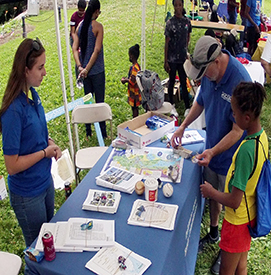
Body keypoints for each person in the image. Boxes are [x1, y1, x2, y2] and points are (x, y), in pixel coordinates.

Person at [171, 35, 251, 275]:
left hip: (230, 158)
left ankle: (226, 250)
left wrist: (214, 151)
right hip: (212, 151)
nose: (203, 76)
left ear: (217, 61)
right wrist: (183, 126)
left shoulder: (240, 80)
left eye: (205, 71)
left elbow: (238, 130)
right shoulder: (208, 73)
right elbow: (200, 102)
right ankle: (214, 231)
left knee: (229, 206)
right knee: (213, 195)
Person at [200, 81, 268, 275]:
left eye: (235, 113)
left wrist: (212, 192)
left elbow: (234, 201)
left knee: (226, 271)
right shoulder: (261, 138)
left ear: (246, 117)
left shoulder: (247, 150)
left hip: (236, 221)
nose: (233, 116)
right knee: (241, 265)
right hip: (249, 216)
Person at [0, 38, 62, 248]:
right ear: (25, 70)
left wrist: (49, 142)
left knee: (49, 240)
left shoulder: (32, 95)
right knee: (37, 250)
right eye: (40, 67)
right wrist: (45, 153)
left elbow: (36, 134)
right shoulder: (13, 110)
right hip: (27, 194)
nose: (45, 72)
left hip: (44, 182)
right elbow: (12, 165)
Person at [73, 0, 107, 139]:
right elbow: (97, 50)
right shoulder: (98, 27)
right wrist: (87, 68)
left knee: (87, 101)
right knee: (100, 102)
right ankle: (103, 133)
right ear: (96, 11)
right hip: (96, 71)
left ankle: (88, 132)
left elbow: (75, 48)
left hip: (84, 73)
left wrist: (80, 66)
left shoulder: (80, 25)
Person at [164, 0, 192, 116]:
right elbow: (166, 43)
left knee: (184, 82)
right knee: (171, 82)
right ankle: (171, 105)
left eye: (180, 5)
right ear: (174, 6)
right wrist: (165, 60)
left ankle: (187, 106)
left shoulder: (187, 22)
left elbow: (188, 36)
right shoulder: (170, 23)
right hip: (172, 58)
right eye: (176, 5)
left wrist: (185, 50)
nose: (178, 7)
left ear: (182, 6)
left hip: (182, 58)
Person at [121, 44, 141, 118]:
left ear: (132, 56)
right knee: (134, 109)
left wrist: (125, 80)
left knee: (135, 109)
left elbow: (133, 81)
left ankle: (135, 120)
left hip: (135, 93)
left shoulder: (135, 68)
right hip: (133, 93)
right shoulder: (136, 66)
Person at [70, 0, 86, 78]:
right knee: (78, 57)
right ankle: (78, 77)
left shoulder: (86, 15)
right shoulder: (73, 17)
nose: (81, 13)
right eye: (80, 11)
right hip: (74, 38)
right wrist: (76, 41)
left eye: (83, 11)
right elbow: (72, 32)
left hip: (82, 38)